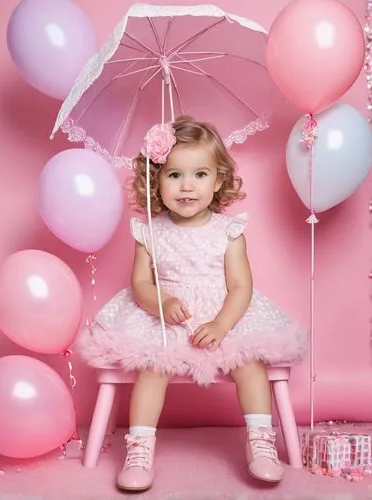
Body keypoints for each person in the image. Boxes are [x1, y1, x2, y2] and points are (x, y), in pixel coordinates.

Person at [78, 116, 308, 491]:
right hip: (166, 317)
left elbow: (240, 286)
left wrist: (221, 325)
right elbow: (139, 283)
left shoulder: (228, 231)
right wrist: (161, 301)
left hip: (223, 314)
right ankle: (139, 448)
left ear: (217, 180)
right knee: (153, 367)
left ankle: (260, 441)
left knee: (248, 364)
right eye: (173, 175)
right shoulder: (149, 230)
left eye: (200, 175)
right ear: (156, 181)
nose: (187, 186)